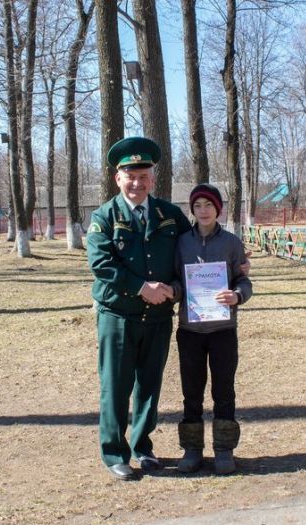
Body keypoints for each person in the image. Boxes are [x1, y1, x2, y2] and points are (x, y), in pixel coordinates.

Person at [86, 136, 194, 481]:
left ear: (153, 179)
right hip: (117, 317)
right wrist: (141, 288)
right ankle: (114, 453)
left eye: (143, 176)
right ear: (118, 178)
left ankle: (142, 447)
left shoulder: (170, 215)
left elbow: (191, 255)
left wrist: (232, 262)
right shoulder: (104, 217)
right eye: (129, 176)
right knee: (115, 386)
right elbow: (101, 263)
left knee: (149, 385)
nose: (137, 183)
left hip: (159, 317)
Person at [171, 184, 252, 475]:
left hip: (223, 330)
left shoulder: (231, 243)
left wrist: (237, 296)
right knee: (191, 392)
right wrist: (175, 291)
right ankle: (192, 450)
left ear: (218, 209)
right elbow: (176, 280)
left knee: (224, 390)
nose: (203, 211)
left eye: (209, 205)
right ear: (191, 210)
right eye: (197, 206)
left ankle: (224, 450)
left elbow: (244, 282)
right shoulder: (181, 243)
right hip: (190, 330)